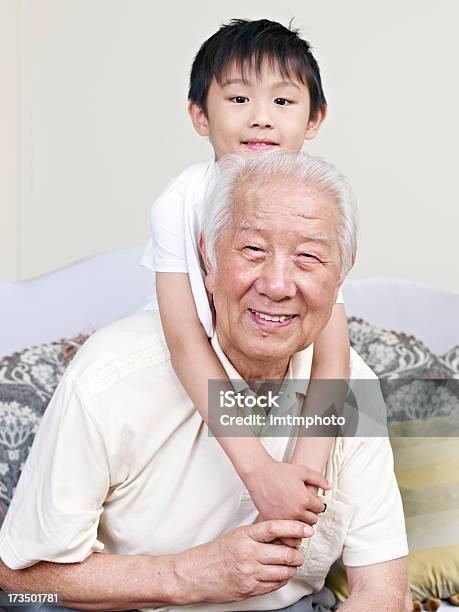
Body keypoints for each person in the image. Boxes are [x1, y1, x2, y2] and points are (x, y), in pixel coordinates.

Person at [0, 150, 411, 611]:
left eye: (309, 257)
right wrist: (185, 576)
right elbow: (22, 579)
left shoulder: (350, 385)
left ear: (344, 273)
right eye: (253, 250)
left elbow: (382, 590)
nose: (277, 285)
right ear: (207, 257)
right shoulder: (112, 376)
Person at [141, 18, 350, 539]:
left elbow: (334, 351)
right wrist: (258, 470)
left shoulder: (316, 204)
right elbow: (185, 341)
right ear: (199, 114)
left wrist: (309, 464)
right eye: (238, 100)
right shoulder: (179, 202)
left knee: (359, 392)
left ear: (314, 119)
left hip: (273, 360)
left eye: (282, 102)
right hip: (197, 362)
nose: (260, 119)